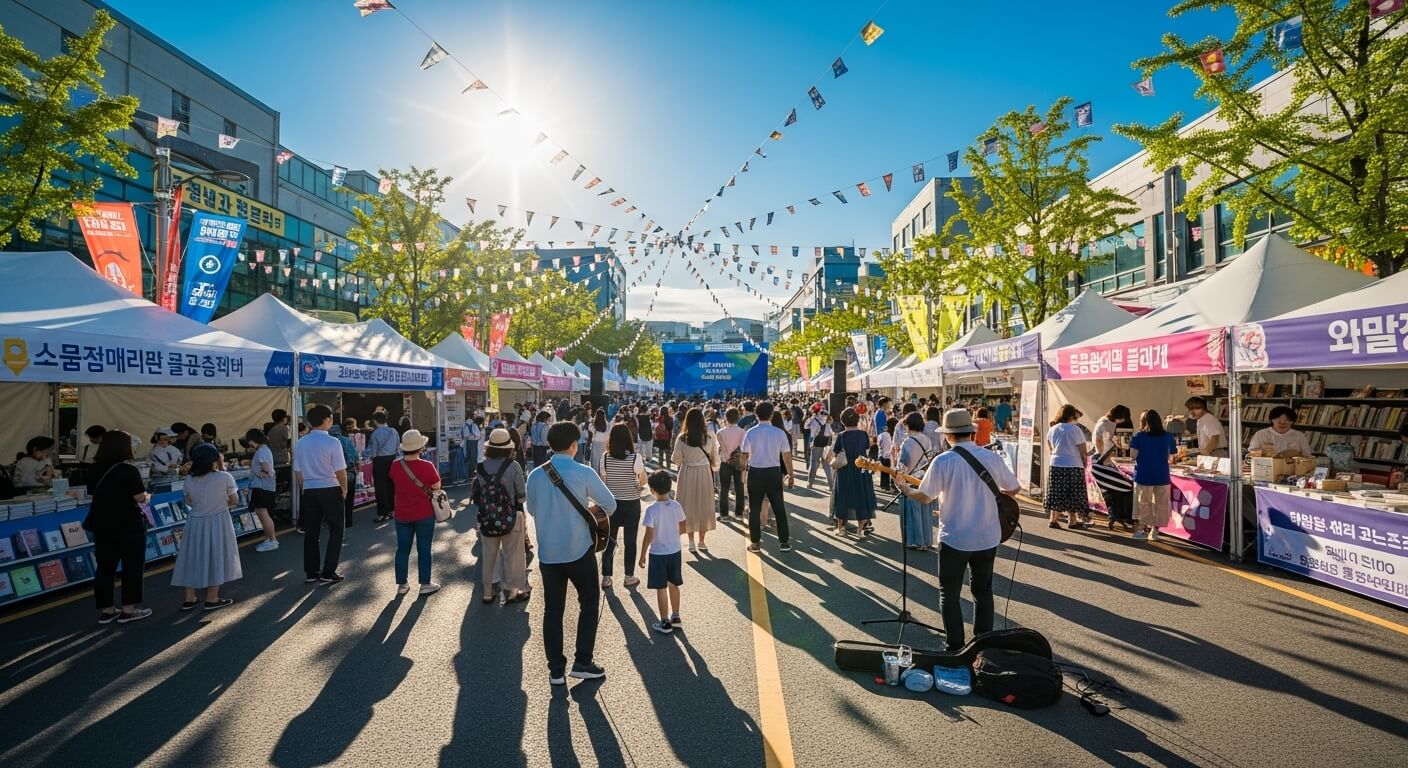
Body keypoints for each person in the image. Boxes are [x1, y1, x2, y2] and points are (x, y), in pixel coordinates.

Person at [895, 409, 1020, 649]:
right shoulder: (991, 457)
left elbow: (925, 496)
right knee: (983, 591)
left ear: (948, 435)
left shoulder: (943, 461)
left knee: (949, 594)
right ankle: (983, 645)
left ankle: (955, 645)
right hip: (987, 536)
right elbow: (1013, 488)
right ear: (971, 433)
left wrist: (905, 489)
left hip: (955, 537)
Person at [526, 421, 618, 685]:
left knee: (553, 610)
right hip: (579, 550)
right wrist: (587, 510)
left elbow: (531, 510)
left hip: (548, 554)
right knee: (588, 602)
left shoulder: (535, 475)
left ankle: (556, 670)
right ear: (574, 445)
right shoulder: (584, 472)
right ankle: (583, 661)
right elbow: (610, 505)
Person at [86, 430, 152, 624]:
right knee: (132, 566)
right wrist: (147, 497)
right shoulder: (129, 470)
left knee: (105, 567)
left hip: (102, 523)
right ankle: (128, 610)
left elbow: (92, 495)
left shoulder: (93, 469)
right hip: (129, 523)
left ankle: (107, 610)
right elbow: (139, 497)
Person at [171, 443, 241, 611]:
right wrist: (220, 504)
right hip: (219, 520)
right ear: (214, 460)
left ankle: (190, 598)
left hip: (195, 522)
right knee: (216, 556)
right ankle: (212, 598)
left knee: (191, 557)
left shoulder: (189, 479)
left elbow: (188, 501)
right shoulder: (225, 477)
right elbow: (234, 501)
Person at [474, 428, 529, 604]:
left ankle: (488, 592)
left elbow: (477, 494)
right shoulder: (513, 466)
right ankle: (512, 591)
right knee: (513, 555)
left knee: (489, 555)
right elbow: (522, 496)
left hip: (487, 517)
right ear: (508, 447)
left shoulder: (481, 466)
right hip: (510, 517)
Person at [295, 405, 349, 585]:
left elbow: (298, 472)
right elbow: (340, 470)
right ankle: (328, 571)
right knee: (336, 530)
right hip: (330, 487)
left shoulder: (301, 443)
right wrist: (344, 489)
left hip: (309, 489)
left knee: (311, 532)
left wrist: (304, 488)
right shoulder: (333, 442)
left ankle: (311, 572)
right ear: (326, 420)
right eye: (331, 417)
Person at [389, 429, 442, 596]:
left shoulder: (395, 465)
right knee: (424, 549)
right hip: (424, 513)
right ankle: (425, 583)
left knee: (402, 549)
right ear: (420, 448)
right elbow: (436, 486)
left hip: (402, 514)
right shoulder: (427, 465)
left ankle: (402, 584)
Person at [741, 402, 794, 553]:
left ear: (756, 415)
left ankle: (755, 542)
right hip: (773, 472)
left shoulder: (750, 432)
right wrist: (791, 474)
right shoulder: (779, 433)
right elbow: (787, 455)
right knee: (779, 508)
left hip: (755, 472)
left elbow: (744, 455)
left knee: (754, 509)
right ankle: (784, 542)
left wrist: (742, 473)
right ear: (771, 415)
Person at [599, 424, 647, 589]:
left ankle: (606, 577)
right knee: (630, 542)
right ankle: (629, 576)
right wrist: (636, 483)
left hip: (612, 504)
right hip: (631, 503)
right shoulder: (635, 458)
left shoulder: (605, 458)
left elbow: (603, 481)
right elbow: (643, 480)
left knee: (609, 540)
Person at [638, 470, 687, 635]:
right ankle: (676, 616)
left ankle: (665, 621)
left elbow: (648, 535)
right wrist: (673, 535)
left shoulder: (651, 510)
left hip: (658, 553)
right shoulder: (676, 506)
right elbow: (683, 526)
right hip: (675, 551)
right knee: (673, 584)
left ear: (652, 490)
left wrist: (642, 554)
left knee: (661, 587)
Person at [673, 407, 719, 553]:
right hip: (704, 472)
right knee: (703, 506)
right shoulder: (709, 437)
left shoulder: (682, 438)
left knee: (688, 506)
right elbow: (715, 459)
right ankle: (702, 541)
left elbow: (676, 459)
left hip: (687, 472)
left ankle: (691, 541)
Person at [1129, 409, 1178, 541]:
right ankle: (1155, 530)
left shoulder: (1138, 436)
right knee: (1161, 504)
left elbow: (1133, 455)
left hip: (1144, 474)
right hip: (1162, 474)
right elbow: (1172, 457)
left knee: (1143, 503)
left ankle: (1142, 529)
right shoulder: (1168, 436)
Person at [830, 408, 878, 536]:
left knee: (842, 497)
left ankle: (841, 528)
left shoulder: (841, 436)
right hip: (861, 469)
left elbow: (836, 452)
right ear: (857, 420)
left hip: (845, 470)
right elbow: (866, 447)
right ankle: (861, 529)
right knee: (861, 497)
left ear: (843, 421)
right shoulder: (863, 434)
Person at [1045, 404, 1091, 529]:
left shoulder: (1053, 429)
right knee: (1073, 493)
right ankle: (1072, 520)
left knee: (1057, 493)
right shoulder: (1075, 429)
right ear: (1072, 415)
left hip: (1056, 464)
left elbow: (1050, 448)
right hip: (1073, 464)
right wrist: (1085, 463)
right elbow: (1083, 450)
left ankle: (1053, 520)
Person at [896, 412, 936, 550]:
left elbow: (902, 464)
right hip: (924, 478)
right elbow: (929, 459)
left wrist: (898, 479)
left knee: (911, 511)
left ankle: (915, 541)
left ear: (908, 425)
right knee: (924, 510)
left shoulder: (907, 442)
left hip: (909, 479)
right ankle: (926, 540)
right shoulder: (926, 439)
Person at [244, 429, 280, 552]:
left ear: (253, 440)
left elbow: (266, 466)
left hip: (262, 487)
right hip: (264, 487)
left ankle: (272, 541)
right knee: (263, 513)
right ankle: (270, 539)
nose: (249, 444)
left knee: (262, 514)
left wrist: (264, 473)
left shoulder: (262, 450)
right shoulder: (264, 449)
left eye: (250, 441)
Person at [368, 411, 399, 523]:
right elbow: (397, 447)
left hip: (380, 461)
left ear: (375, 421)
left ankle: (382, 513)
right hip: (392, 459)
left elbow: (373, 452)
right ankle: (393, 510)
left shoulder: (375, 433)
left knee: (380, 487)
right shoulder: (394, 431)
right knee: (391, 485)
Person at [716, 408, 747, 520]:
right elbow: (743, 449)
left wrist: (727, 456)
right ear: (738, 418)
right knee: (739, 487)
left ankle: (724, 514)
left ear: (726, 418)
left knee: (724, 489)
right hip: (739, 462)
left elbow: (719, 449)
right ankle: (739, 513)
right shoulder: (742, 432)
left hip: (725, 462)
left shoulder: (720, 432)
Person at [1247, 405, 1313, 457]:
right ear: (1272, 420)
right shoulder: (1261, 434)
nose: (1283, 423)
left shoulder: (1299, 436)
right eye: (1279, 421)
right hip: (1267, 467)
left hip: (1292, 468)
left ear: (1292, 422)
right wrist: (1264, 453)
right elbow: (1251, 452)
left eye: (1287, 420)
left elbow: (1307, 455)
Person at [332, 420, 361, 528]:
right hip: (349, 471)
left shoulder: (329, 442)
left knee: (335, 499)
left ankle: (336, 522)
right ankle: (348, 521)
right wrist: (357, 468)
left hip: (334, 473)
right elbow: (355, 456)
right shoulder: (346, 440)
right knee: (349, 498)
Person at [804, 406, 835, 488]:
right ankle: (831, 485)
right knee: (826, 466)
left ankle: (810, 483)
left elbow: (805, 426)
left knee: (814, 464)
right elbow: (830, 433)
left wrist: (812, 417)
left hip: (816, 445)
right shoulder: (827, 421)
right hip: (826, 445)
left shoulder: (814, 420)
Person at [461, 414, 483, 481]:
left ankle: (469, 474)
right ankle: (473, 473)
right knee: (474, 458)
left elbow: (465, 435)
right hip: (474, 443)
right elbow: (478, 435)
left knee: (469, 457)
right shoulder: (474, 425)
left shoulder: (465, 425)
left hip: (468, 443)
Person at [653, 406, 674, 470]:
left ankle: (660, 465)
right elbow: (671, 428)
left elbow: (655, 427)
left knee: (660, 452)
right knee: (668, 452)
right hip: (667, 437)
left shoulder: (658, 419)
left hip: (659, 437)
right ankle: (668, 466)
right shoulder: (670, 419)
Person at [590, 410, 610, 475]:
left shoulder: (594, 424)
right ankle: (602, 476)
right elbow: (608, 435)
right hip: (603, 444)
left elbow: (590, 428)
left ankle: (595, 476)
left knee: (595, 462)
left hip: (595, 444)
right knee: (603, 461)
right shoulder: (607, 424)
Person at [877, 421, 895, 492]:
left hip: (883, 455)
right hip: (891, 456)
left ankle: (884, 485)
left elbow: (879, 444)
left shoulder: (882, 435)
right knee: (890, 471)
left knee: (884, 470)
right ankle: (890, 485)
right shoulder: (894, 436)